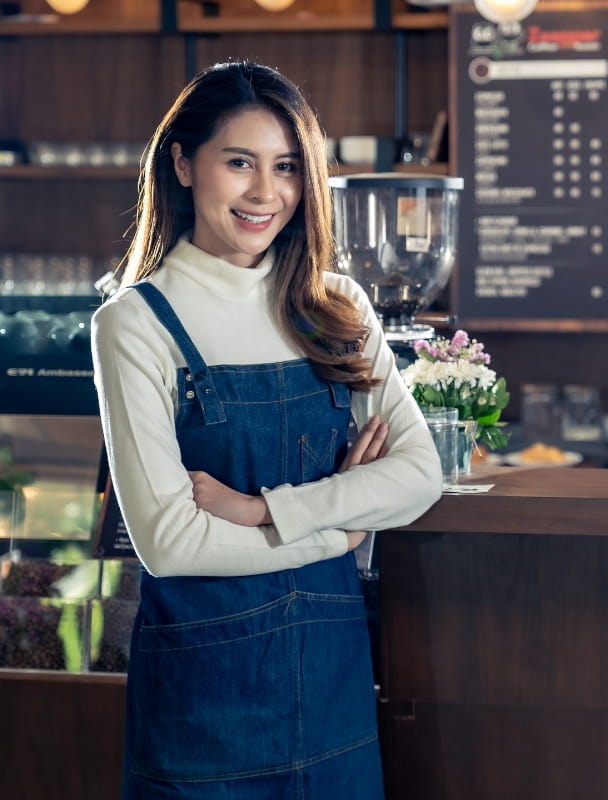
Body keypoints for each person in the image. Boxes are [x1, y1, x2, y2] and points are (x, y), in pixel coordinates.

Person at [91, 61, 442, 798]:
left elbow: (417, 475)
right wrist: (337, 532)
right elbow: (171, 543)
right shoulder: (135, 323)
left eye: (286, 167)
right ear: (183, 164)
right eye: (239, 162)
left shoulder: (334, 306)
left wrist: (260, 511)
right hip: (199, 705)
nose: (265, 193)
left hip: (331, 690)